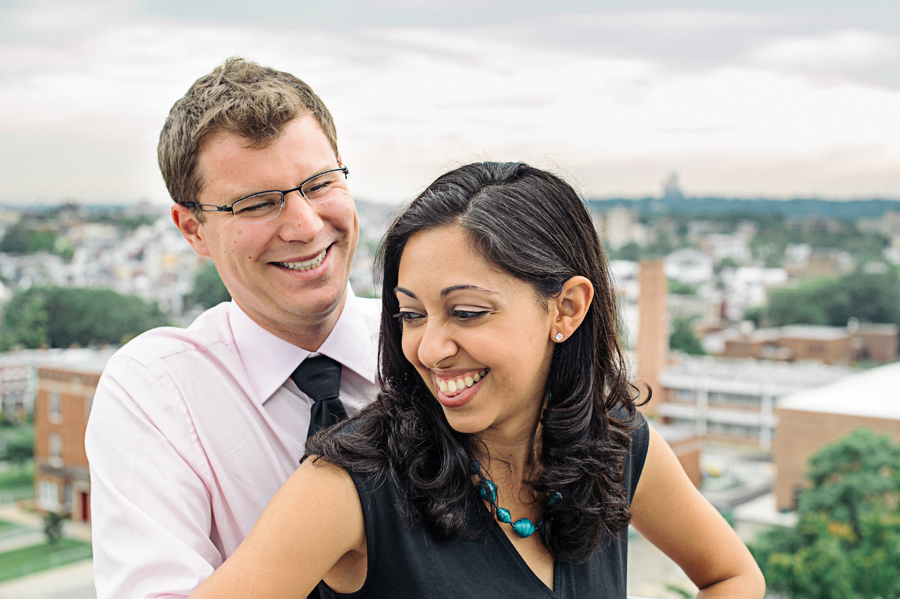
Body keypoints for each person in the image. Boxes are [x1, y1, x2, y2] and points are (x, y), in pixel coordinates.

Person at [187, 162, 766, 598]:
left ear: (564, 309)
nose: (431, 348)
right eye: (411, 315)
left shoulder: (616, 443)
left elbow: (734, 574)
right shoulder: (351, 486)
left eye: (467, 312)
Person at [84, 58, 380, 599]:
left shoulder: (429, 346)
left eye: (319, 184)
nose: (306, 226)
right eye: (257, 204)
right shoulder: (158, 393)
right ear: (193, 229)